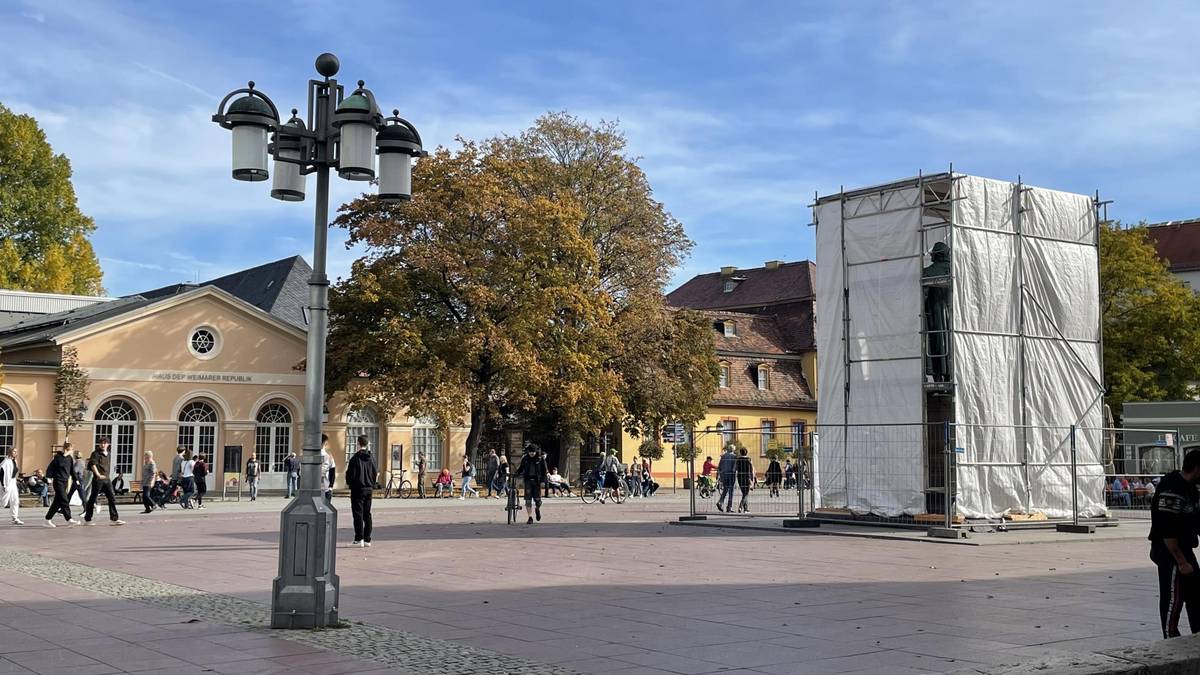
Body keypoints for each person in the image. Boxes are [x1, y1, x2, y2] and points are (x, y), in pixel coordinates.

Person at [1150, 449, 1200, 638]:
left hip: (1185, 548)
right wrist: (1181, 562)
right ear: (1196, 469)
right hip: (1169, 551)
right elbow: (1167, 530)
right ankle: (1170, 638)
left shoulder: (1191, 489)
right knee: (1174, 598)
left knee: (1195, 593)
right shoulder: (1171, 489)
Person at [345, 434, 378, 548]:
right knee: (367, 514)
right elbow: (375, 473)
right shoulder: (371, 458)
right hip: (368, 489)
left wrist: (350, 483)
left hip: (358, 489)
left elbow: (350, 475)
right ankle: (368, 539)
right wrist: (372, 484)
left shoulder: (355, 458)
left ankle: (359, 539)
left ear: (358, 444)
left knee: (358, 514)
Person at [84, 437, 124, 525]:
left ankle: (114, 519)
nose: (103, 445)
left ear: (108, 444)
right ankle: (88, 519)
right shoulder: (95, 454)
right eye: (101, 443)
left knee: (112, 498)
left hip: (107, 479)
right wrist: (98, 475)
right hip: (98, 480)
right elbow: (93, 465)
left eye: (105, 443)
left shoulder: (108, 454)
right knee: (92, 498)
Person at [44, 446, 79, 527]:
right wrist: (48, 477)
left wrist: (76, 479)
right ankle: (69, 519)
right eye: (71, 449)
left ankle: (47, 519)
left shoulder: (70, 458)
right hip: (58, 481)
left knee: (57, 502)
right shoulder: (57, 458)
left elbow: (72, 470)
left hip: (65, 482)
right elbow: (50, 467)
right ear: (66, 449)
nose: (72, 451)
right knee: (64, 499)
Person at [516, 443, 548, 524]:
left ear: (536, 452)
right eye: (530, 452)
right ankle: (530, 517)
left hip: (537, 482)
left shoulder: (540, 459)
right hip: (528, 481)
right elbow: (521, 467)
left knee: (538, 500)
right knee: (528, 500)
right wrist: (517, 473)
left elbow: (544, 471)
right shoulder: (525, 459)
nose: (532, 454)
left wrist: (543, 481)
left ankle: (537, 509)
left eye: (533, 452)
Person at [0, 446, 23, 525]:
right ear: (10, 452)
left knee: (15, 500)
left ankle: (15, 518)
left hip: (13, 482)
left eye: (16, 451)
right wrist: (4, 485)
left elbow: (13, 472)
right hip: (7, 483)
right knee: (3, 501)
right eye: (14, 452)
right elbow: (2, 474)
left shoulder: (14, 461)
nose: (16, 453)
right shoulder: (5, 462)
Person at [716, 446, 736, 513]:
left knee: (725, 490)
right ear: (733, 450)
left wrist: (719, 475)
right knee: (731, 491)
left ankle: (720, 502)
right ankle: (729, 507)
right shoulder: (734, 456)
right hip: (731, 475)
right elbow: (735, 467)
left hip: (724, 475)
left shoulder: (723, 456)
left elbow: (719, 467)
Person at [735, 447, 753, 513]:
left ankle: (746, 509)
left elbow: (736, 468)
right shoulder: (749, 459)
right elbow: (751, 469)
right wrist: (751, 479)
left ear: (740, 452)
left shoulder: (738, 460)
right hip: (747, 477)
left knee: (744, 493)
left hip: (740, 477)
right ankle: (740, 507)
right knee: (746, 493)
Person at [320, 435, 335, 501]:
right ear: (325, 443)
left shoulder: (308, 455)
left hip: (311, 488)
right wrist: (331, 486)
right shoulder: (329, 456)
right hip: (325, 487)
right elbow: (332, 472)